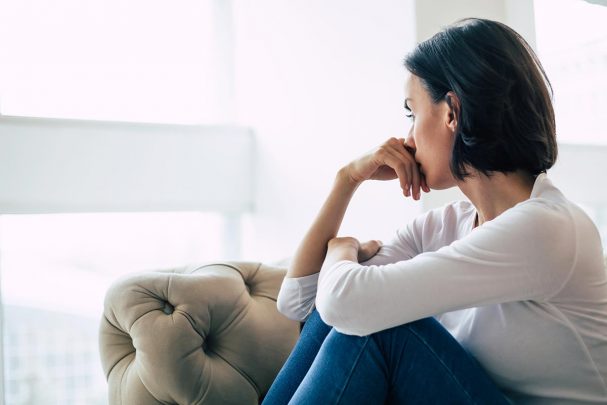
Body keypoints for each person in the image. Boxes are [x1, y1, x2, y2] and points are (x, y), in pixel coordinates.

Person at [261, 17, 607, 405]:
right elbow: (304, 304)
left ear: (452, 113)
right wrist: (346, 180)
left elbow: (347, 302)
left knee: (384, 326)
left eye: (412, 113)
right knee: (362, 315)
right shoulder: (444, 226)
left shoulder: (548, 227)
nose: (406, 139)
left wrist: (342, 249)